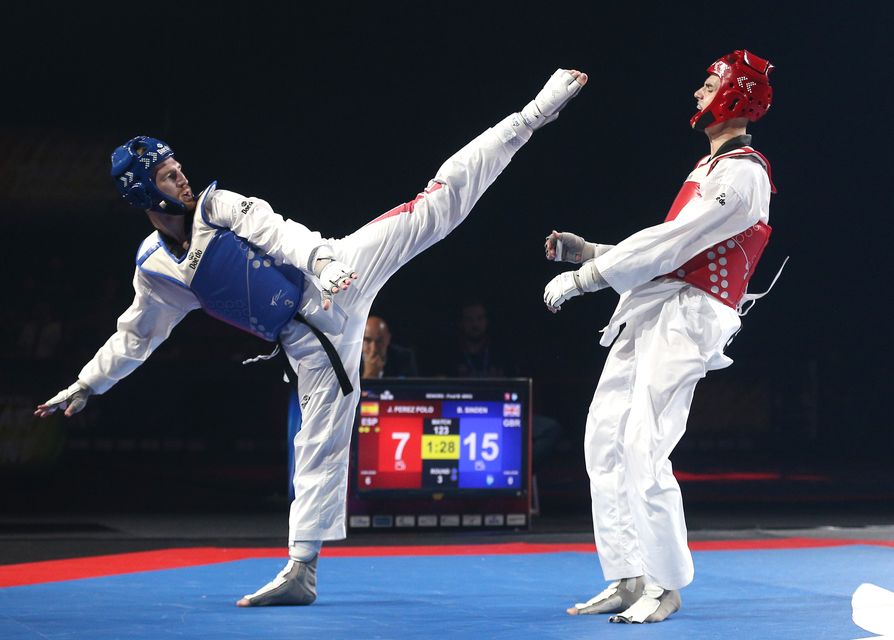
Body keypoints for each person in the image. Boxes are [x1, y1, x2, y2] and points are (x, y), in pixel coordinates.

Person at [34, 67, 588, 607]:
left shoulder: (217, 207)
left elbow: (279, 231)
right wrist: (89, 382)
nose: (181, 177)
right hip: (309, 347)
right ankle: (302, 569)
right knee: (316, 448)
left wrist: (323, 262)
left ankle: (531, 115)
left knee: (437, 203)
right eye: (166, 174)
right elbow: (137, 335)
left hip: (338, 272)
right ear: (141, 192)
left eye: (178, 167)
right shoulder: (157, 269)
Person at [542, 50, 776, 624]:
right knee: (603, 438)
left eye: (708, 83)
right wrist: (594, 251)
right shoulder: (706, 169)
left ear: (735, 95)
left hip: (691, 315)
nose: (699, 93)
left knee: (647, 445)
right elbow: (668, 243)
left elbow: (673, 246)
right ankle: (626, 575)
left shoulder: (746, 174)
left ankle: (666, 585)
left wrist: (587, 276)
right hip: (652, 304)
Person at [447, 301, 516, 377]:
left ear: (487, 321)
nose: (475, 324)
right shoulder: (450, 354)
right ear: (461, 323)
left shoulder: (502, 352)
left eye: (480, 318)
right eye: (469, 319)